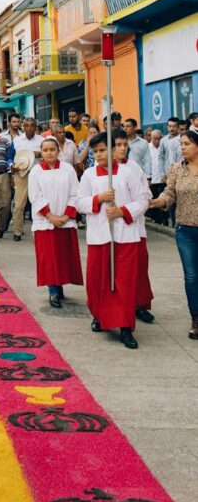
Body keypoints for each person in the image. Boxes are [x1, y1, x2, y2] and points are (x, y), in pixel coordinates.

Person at [75, 132, 149, 350]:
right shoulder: (89, 175)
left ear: (111, 150)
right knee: (99, 279)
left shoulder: (128, 173)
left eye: (103, 150)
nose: (99, 155)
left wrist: (122, 211)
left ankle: (125, 326)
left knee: (124, 282)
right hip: (100, 235)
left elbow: (143, 199)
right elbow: (79, 202)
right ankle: (99, 315)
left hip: (125, 236)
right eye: (96, 151)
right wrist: (98, 199)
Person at [149, 128, 198, 339]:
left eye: (186, 144)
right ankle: (196, 319)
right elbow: (168, 195)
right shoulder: (177, 169)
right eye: (181, 144)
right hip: (185, 231)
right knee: (191, 277)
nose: (183, 148)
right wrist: (152, 202)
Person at [28, 136, 83, 307]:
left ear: (58, 151)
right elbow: (35, 196)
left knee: (62, 255)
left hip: (65, 219)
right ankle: (53, 290)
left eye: (52, 149)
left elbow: (76, 193)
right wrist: (50, 216)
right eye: (45, 150)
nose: (49, 153)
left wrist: (66, 216)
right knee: (48, 257)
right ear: (41, 153)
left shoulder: (67, 169)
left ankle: (60, 286)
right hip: (45, 221)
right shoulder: (36, 171)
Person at [112, 131, 155, 325]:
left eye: (124, 144)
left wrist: (126, 211)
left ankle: (140, 304)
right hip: (110, 229)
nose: (122, 148)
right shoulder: (100, 168)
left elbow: (146, 197)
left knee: (138, 268)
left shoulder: (134, 167)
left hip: (134, 227)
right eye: (118, 145)